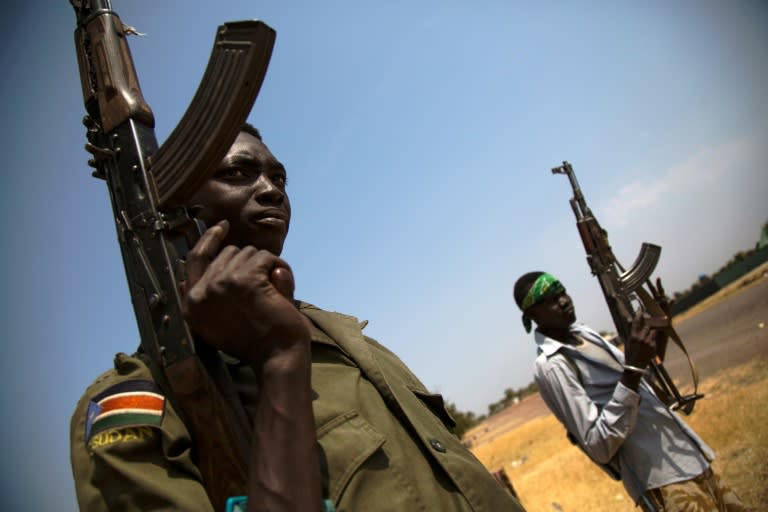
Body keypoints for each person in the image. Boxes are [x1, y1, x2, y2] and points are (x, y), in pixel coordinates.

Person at [70, 124, 525, 512]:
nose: (272, 190)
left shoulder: (342, 335)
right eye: (237, 173)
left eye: (278, 177)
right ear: (175, 208)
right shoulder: (139, 398)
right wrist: (279, 363)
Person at [513, 271, 747, 512]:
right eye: (551, 299)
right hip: (661, 479)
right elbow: (598, 444)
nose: (564, 300)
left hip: (689, 454)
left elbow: (643, 382)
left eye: (562, 292)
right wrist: (632, 369)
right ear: (531, 315)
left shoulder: (585, 334)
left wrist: (660, 327)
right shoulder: (551, 366)